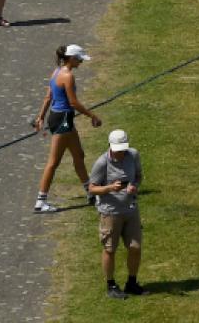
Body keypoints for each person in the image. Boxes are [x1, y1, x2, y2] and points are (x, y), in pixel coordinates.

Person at [33, 43, 98, 213]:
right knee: (53, 162)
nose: (81, 62)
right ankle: (41, 202)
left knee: (78, 155)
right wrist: (92, 116)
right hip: (63, 120)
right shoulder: (68, 76)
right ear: (71, 58)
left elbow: (48, 97)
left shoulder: (56, 72)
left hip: (58, 118)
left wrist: (41, 117)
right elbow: (73, 102)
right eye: (79, 59)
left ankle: (90, 192)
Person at [89, 128, 144, 299]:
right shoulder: (102, 163)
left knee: (135, 247)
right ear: (110, 146)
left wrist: (134, 186)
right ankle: (111, 285)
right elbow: (92, 188)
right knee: (110, 249)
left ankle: (132, 283)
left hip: (130, 210)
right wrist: (110, 188)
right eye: (117, 150)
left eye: (123, 149)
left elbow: (139, 176)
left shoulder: (133, 155)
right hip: (110, 213)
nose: (121, 153)